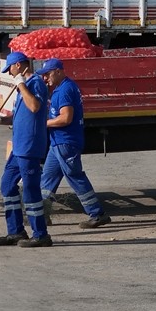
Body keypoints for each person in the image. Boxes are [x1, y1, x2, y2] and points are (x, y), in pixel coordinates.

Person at [0, 51, 53, 248]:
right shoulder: (20, 89)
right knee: (7, 184)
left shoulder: (36, 84)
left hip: (30, 146)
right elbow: (17, 116)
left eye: (12, 68)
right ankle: (15, 231)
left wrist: (21, 83)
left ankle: (41, 234)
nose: (10, 72)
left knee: (31, 191)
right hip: (18, 146)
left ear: (21, 65)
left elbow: (34, 107)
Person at [36, 58, 113, 229]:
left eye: (47, 74)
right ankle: (41, 215)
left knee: (75, 177)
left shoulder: (65, 90)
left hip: (66, 143)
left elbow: (65, 118)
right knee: (48, 178)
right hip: (57, 142)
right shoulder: (61, 88)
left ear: (57, 71)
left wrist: (42, 124)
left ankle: (97, 214)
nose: (45, 78)